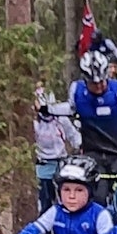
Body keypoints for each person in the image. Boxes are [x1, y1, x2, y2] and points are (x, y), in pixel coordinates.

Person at [59, 50, 117, 203]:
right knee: (97, 197)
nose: (99, 86)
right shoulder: (76, 90)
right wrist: (47, 109)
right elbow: (70, 109)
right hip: (92, 154)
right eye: (94, 83)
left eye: (102, 81)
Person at [0, 156, 112, 234]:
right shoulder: (56, 212)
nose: (71, 196)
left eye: (79, 190)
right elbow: (33, 232)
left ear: (91, 192)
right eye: (66, 190)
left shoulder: (100, 215)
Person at [33, 86, 82, 215]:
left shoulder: (61, 119)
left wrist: (81, 146)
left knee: (66, 197)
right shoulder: (34, 123)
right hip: (43, 164)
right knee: (45, 199)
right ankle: (46, 231)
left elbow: (73, 136)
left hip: (61, 161)